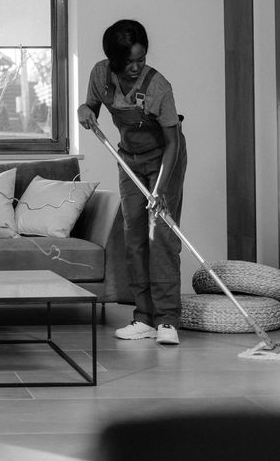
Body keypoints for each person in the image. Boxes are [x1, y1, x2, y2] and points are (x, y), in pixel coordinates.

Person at [77, 19, 187, 346]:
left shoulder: (159, 88)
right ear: (114, 60)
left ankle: (167, 320)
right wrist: (84, 110)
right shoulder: (100, 75)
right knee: (134, 236)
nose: (137, 66)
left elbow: (173, 143)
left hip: (164, 161)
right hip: (129, 159)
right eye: (130, 62)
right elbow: (90, 108)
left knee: (162, 237)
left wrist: (160, 191)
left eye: (142, 58)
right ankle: (144, 317)